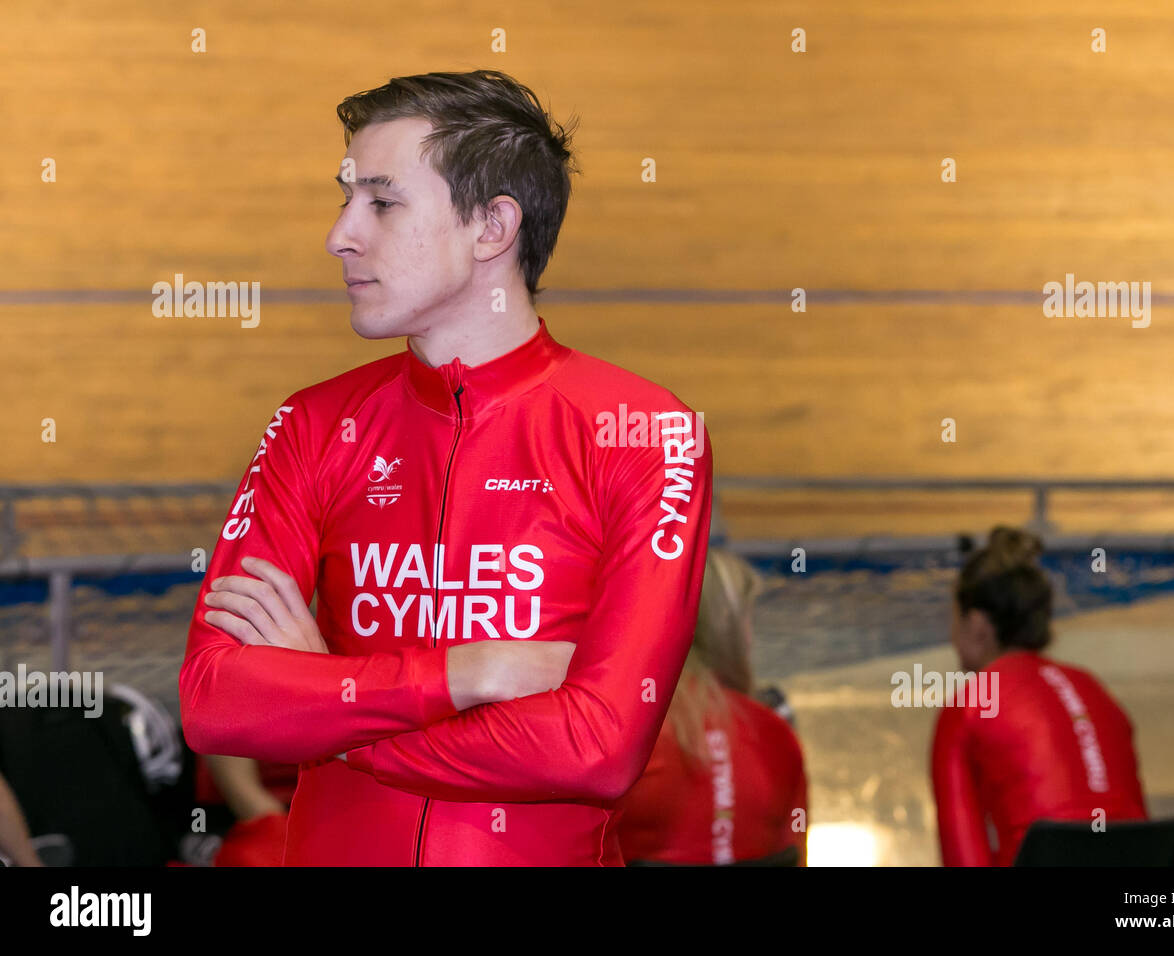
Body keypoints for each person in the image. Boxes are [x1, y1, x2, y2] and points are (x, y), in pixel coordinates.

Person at [178, 69, 713, 866]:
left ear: (492, 227)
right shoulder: (314, 423)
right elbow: (216, 702)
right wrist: (472, 672)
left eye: (382, 203)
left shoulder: (644, 433)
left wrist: (332, 699)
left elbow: (599, 750)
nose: (341, 235)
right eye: (345, 198)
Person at [931, 526, 1148, 866]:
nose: (951, 634)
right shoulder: (1094, 689)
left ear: (977, 625)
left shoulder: (971, 703)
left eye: (953, 618)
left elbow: (962, 858)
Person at [616, 550, 808, 866]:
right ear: (728, 630)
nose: (750, 640)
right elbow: (797, 853)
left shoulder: (623, 729)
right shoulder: (775, 734)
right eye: (747, 621)